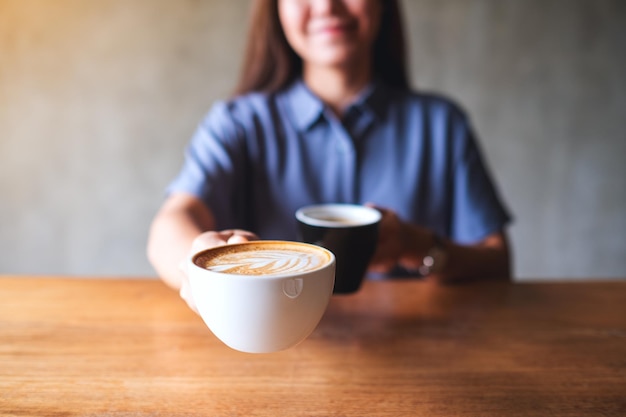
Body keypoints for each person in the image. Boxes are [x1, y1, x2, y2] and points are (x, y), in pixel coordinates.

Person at [147, 0, 513, 309]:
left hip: (417, 352)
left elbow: (497, 260)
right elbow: (172, 221)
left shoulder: (441, 124)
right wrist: (196, 264)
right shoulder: (238, 123)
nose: (326, 6)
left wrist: (420, 247)